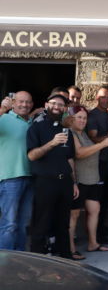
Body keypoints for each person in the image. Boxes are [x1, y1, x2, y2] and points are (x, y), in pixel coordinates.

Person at [27, 93, 78, 259]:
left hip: (65, 183)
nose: (57, 107)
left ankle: (65, 258)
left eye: (61, 105)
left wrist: (74, 182)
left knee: (63, 224)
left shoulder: (65, 130)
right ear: (46, 104)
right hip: (45, 182)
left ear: (64, 108)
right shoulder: (36, 127)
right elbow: (32, 155)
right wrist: (52, 143)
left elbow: (69, 158)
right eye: (54, 103)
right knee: (41, 223)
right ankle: (37, 260)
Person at [69, 106, 108, 260]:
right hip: (79, 180)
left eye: (84, 118)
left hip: (92, 179)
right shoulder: (71, 133)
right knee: (74, 215)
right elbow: (79, 153)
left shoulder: (85, 134)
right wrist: (103, 144)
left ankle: (93, 243)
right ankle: (71, 249)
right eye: (79, 117)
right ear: (71, 118)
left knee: (95, 210)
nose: (82, 120)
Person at [0, 91, 34, 251]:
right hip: (10, 179)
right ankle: (5, 263)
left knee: (22, 224)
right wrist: (1, 109)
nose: (24, 105)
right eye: (21, 102)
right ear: (13, 103)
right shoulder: (4, 118)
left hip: (30, 178)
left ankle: (19, 259)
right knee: (9, 224)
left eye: (28, 102)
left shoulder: (30, 122)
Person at [87, 86, 108, 244]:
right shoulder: (92, 116)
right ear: (97, 97)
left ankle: (102, 229)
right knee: (97, 199)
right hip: (97, 163)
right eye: (103, 97)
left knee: (105, 198)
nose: (106, 100)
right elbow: (93, 138)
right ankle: (96, 235)